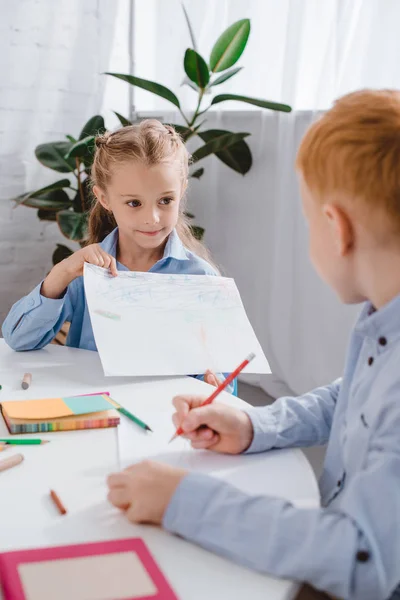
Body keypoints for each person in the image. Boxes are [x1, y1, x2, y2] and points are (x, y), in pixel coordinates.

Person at [107, 91, 400, 600]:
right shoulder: (382, 319)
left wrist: (184, 499)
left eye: (308, 222)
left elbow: (363, 558)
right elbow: (350, 396)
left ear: (336, 228)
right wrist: (254, 423)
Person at [2, 120, 229, 389]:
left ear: (182, 191)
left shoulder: (201, 279)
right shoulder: (85, 273)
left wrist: (214, 384)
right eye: (134, 203)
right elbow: (18, 339)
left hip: (163, 414)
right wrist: (62, 272)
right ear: (104, 198)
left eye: (165, 200)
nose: (152, 218)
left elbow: (221, 379)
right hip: (92, 406)